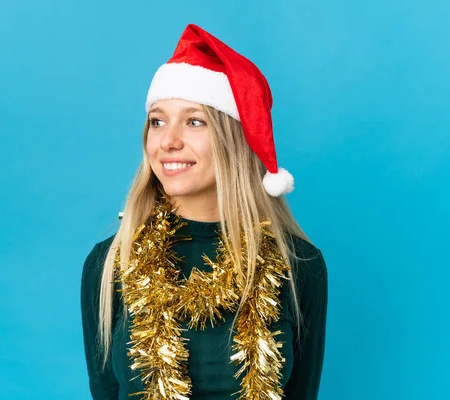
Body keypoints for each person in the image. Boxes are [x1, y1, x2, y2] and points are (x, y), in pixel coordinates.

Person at [81, 23, 328, 400]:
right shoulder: (111, 261)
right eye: (157, 121)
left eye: (195, 121)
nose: (168, 141)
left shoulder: (299, 265)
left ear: (235, 140)